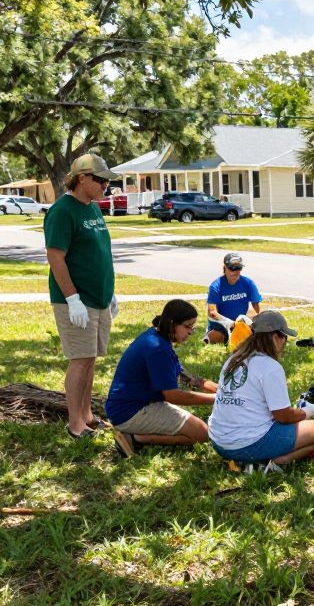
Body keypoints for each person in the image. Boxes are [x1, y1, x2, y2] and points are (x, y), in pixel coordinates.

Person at [44, 153, 118, 439]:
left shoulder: (93, 208)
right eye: (100, 180)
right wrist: (72, 298)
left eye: (106, 181)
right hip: (76, 301)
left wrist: (110, 293)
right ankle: (75, 423)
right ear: (82, 178)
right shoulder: (63, 211)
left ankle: (87, 415)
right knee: (80, 359)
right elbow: (56, 257)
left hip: (98, 298)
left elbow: (99, 254)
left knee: (91, 358)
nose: (105, 186)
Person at [208, 311, 314, 468]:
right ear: (275, 336)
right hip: (246, 444)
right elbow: (282, 416)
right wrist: (306, 413)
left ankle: (262, 460)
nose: (285, 342)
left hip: (218, 443)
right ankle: (271, 463)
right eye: (284, 336)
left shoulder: (233, 358)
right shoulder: (270, 367)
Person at [105, 299, 218, 457]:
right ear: (172, 324)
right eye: (187, 326)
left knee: (200, 430)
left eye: (193, 326)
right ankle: (135, 438)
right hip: (130, 413)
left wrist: (222, 390)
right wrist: (216, 399)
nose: (191, 331)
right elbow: (172, 396)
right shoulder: (157, 349)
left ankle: (134, 434)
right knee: (203, 434)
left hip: (130, 406)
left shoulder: (156, 336)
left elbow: (188, 377)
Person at [205, 252, 262, 344]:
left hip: (242, 324)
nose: (236, 271)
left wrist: (258, 322)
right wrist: (231, 323)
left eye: (239, 268)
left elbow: (256, 306)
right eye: (232, 268)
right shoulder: (215, 286)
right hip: (222, 325)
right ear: (224, 268)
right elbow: (212, 312)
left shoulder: (248, 283)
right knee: (217, 336)